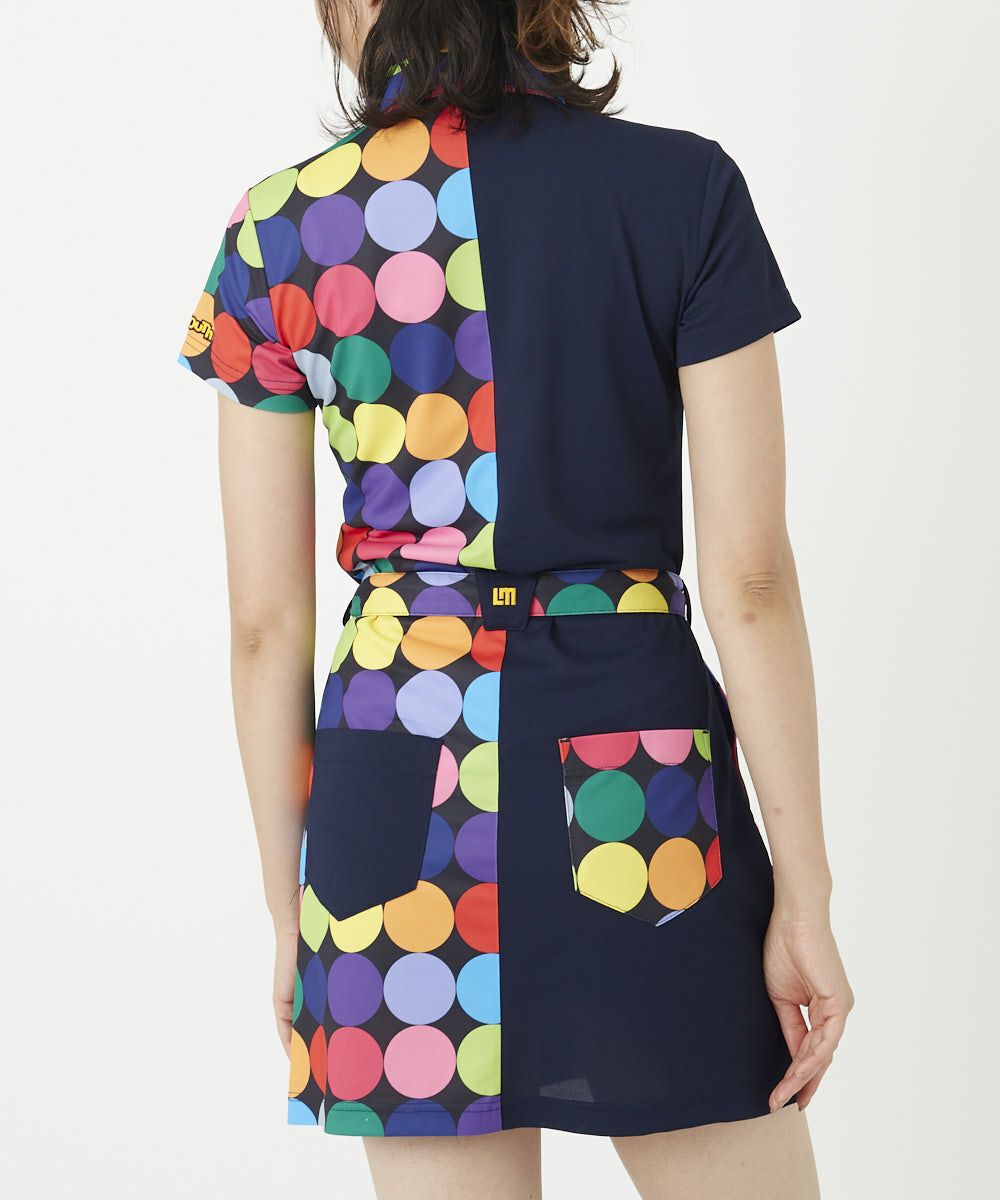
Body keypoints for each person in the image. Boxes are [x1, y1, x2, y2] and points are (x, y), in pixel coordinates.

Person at [177, 1, 853, 1196]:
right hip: (637, 775)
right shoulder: (682, 188)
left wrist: (290, 911)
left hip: (392, 782)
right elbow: (748, 582)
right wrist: (806, 894)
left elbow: (262, 628)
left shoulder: (280, 229)